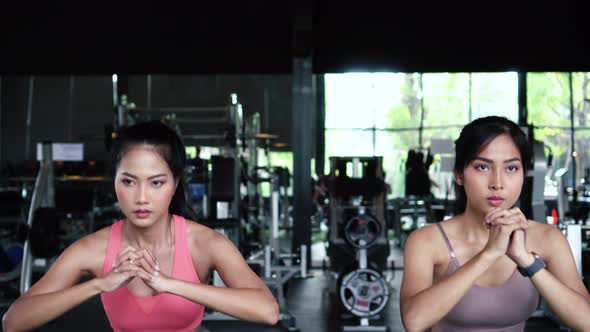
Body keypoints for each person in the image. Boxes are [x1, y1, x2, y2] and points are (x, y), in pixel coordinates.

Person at [2, 120, 279, 332]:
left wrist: (169, 284)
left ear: (175, 184)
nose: (141, 197)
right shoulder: (94, 249)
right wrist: (99, 284)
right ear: (115, 182)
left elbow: (267, 311)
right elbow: (13, 321)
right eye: (129, 181)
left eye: (156, 182)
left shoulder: (203, 244)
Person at [400, 116, 590, 332]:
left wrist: (527, 261)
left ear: (523, 174)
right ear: (459, 174)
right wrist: (488, 254)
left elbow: (586, 322)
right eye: (482, 167)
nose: (497, 183)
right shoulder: (427, 241)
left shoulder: (547, 239)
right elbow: (413, 322)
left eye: (511, 169)